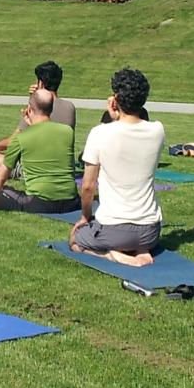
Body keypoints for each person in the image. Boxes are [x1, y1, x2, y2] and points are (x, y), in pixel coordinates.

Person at [71, 69, 164, 266]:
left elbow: (88, 186)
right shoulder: (157, 130)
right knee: (134, 239)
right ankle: (141, 251)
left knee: (75, 240)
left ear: (115, 99)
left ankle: (111, 255)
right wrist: (117, 117)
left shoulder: (100, 133)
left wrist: (85, 217)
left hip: (114, 229)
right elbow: (130, 136)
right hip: (150, 232)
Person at [0, 89, 80, 216]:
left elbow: (0, 176)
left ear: (29, 109)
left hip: (40, 203)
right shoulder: (67, 132)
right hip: (72, 202)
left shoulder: (21, 138)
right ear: (51, 109)